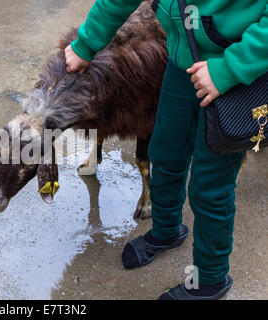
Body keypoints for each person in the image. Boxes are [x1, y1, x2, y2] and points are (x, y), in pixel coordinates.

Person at [65, 0, 268, 300]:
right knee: (163, 153)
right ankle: (166, 229)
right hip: (181, 59)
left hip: (233, 74)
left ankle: (210, 278)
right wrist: (85, 44)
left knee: (209, 186)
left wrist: (228, 69)